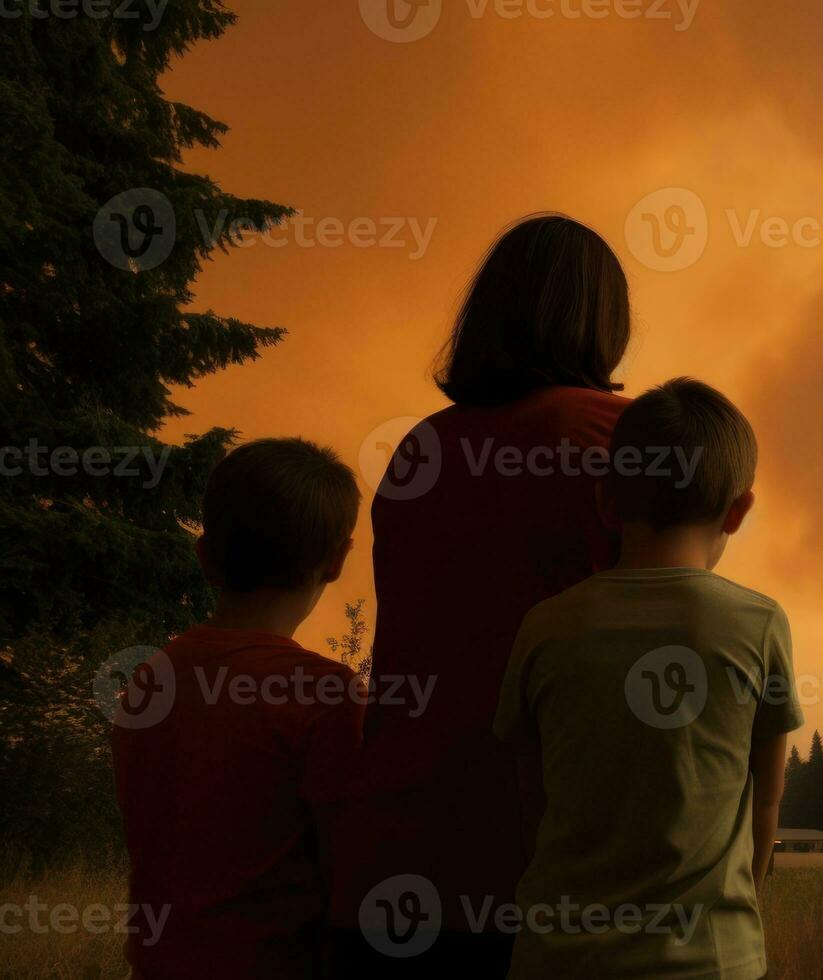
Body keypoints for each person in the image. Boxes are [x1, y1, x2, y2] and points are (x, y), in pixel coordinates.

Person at [325, 214, 631, 973]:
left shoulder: (418, 450)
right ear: (604, 321)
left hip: (387, 864)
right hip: (549, 869)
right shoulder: (620, 436)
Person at [493, 378, 801, 979]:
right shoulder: (758, 625)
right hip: (711, 960)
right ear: (738, 511)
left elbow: (533, 804)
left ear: (607, 501)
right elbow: (767, 797)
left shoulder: (546, 626)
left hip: (558, 960)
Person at [111, 438, 363, 979]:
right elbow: (349, 883)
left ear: (205, 554)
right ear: (339, 559)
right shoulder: (327, 696)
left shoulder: (150, 679)